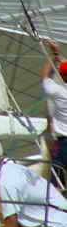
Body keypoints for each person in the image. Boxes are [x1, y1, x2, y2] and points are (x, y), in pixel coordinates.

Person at [41, 41, 67, 187]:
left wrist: (53, 54)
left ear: (62, 76)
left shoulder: (58, 92)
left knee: (56, 183)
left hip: (64, 144)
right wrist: (58, 55)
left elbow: (44, 78)